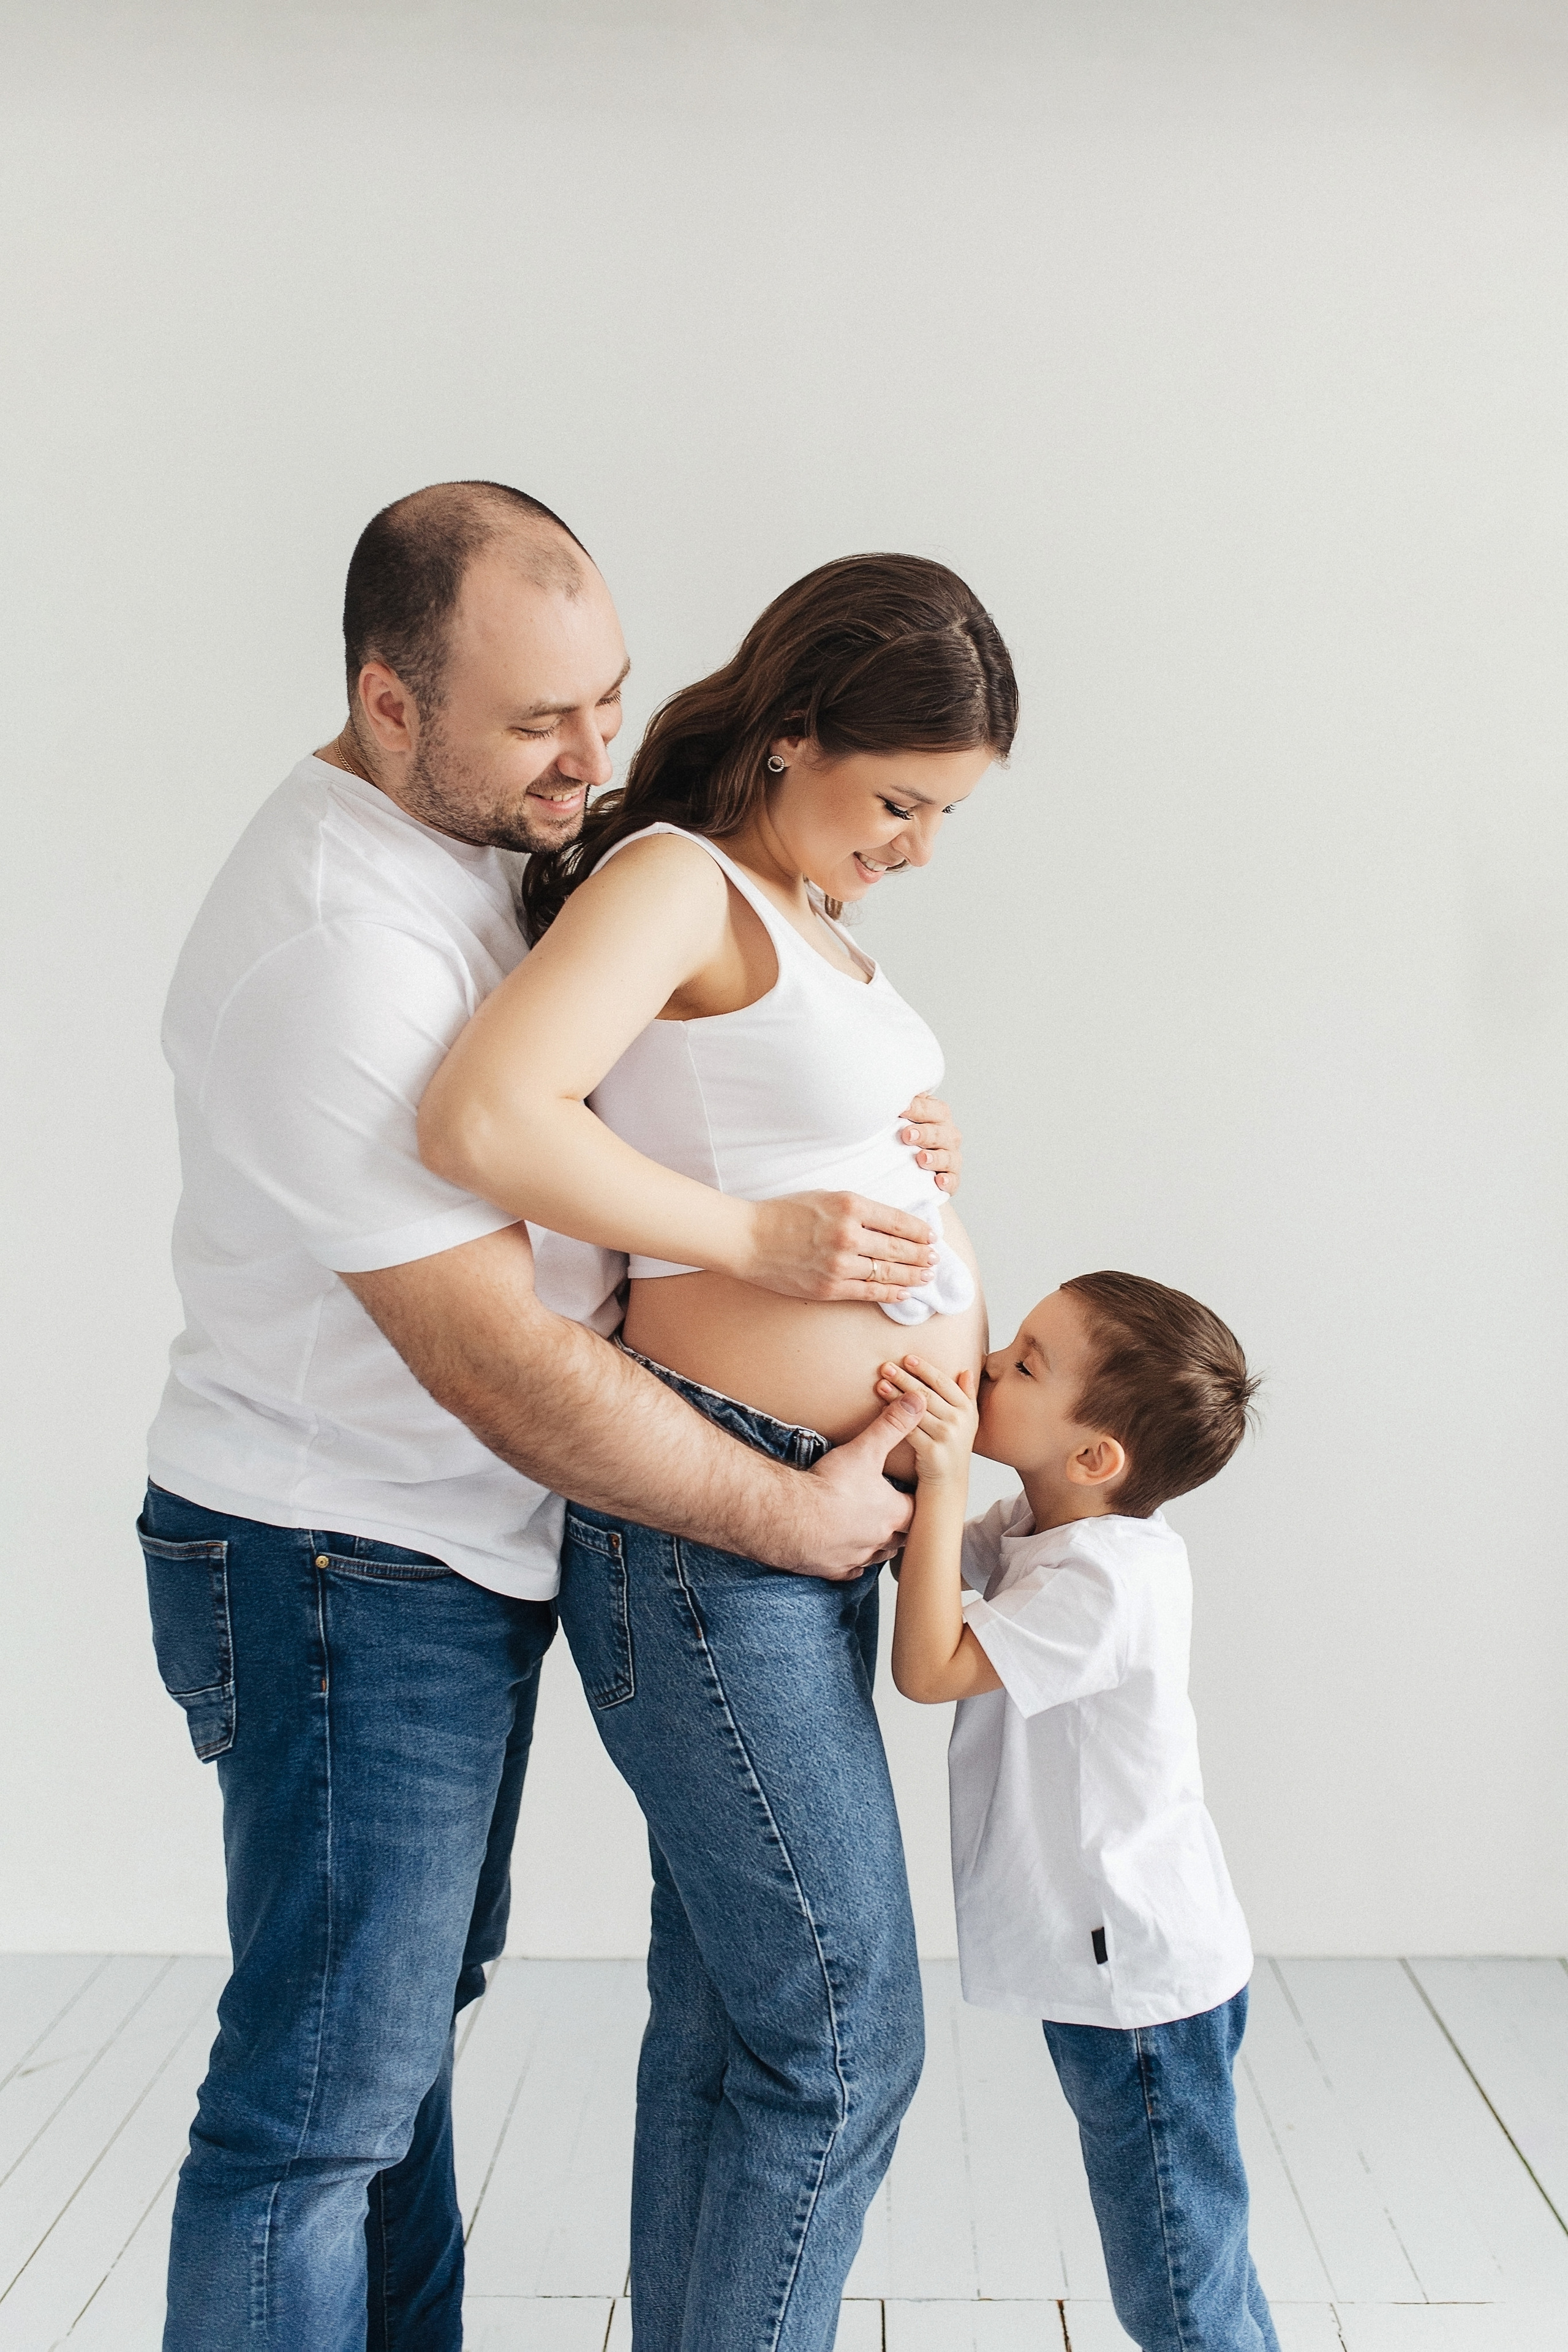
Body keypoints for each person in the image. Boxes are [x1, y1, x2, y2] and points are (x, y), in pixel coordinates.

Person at [140, 482, 968, 2352]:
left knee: (391, 2069)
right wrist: (784, 1510)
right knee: (317, 2118)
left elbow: (650, 1091)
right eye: (540, 721)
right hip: (336, 1550)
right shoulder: (337, 949)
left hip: (441, 1545)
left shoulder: (492, 849)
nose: (594, 753)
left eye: (603, 697)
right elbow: (492, 1350)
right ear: (388, 705)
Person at [418, 551, 1019, 2351]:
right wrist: (760, 1245)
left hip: (821, 1526)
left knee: (735, 2023)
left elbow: (768, 1114)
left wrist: (919, 1156)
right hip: (719, 1524)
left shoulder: (809, 916)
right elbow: (482, 1115)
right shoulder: (681, 880)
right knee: (845, 2030)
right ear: (792, 733)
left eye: (944, 818)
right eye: (895, 801)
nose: (914, 845)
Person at [880, 1274, 1278, 2352]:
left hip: (1140, 1981)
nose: (991, 1361)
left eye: (1022, 1365)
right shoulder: (1049, 1525)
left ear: (1095, 1455)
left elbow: (928, 1664)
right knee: (1199, 2247)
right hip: (1136, 1963)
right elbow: (942, 1541)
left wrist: (948, 1462)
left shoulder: (1104, 1579)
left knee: (1178, 2284)